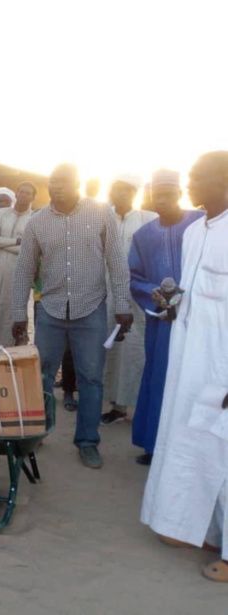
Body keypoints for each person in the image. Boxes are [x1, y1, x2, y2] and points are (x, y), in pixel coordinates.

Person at [141, 151, 228, 583]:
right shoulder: (195, 232)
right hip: (188, 363)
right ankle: (205, 531)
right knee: (193, 445)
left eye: (197, 177)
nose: (189, 184)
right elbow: (193, 294)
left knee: (224, 452)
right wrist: (173, 304)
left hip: (221, 368)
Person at [12, 164, 132, 470]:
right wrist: (18, 313)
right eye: (52, 182)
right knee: (41, 375)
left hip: (90, 309)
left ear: (77, 184)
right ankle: (38, 433)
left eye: (63, 182)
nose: (56, 187)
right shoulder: (37, 222)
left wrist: (123, 305)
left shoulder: (101, 214)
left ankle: (87, 441)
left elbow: (117, 262)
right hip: (50, 309)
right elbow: (24, 269)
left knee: (91, 378)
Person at [128, 170, 203, 465]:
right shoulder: (143, 236)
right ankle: (154, 445)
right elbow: (135, 277)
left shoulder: (200, 224)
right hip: (162, 323)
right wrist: (155, 293)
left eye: (168, 194)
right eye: (156, 195)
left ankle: (188, 450)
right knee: (159, 376)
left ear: (179, 194)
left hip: (198, 320)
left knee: (192, 379)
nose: (162, 200)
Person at [101, 174, 158, 425]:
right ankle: (116, 405)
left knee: (134, 351)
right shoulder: (102, 219)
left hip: (137, 295)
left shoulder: (148, 219)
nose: (119, 194)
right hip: (106, 291)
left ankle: (138, 407)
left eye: (125, 190)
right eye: (115, 189)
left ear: (134, 193)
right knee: (110, 348)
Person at [0, 183, 35, 348]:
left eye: (28, 193)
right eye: (21, 191)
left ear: (33, 198)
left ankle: (7, 354)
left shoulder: (33, 220)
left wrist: (1, 244)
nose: (24, 195)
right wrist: (16, 241)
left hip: (16, 274)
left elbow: (28, 249)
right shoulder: (1, 214)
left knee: (10, 313)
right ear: (16, 194)